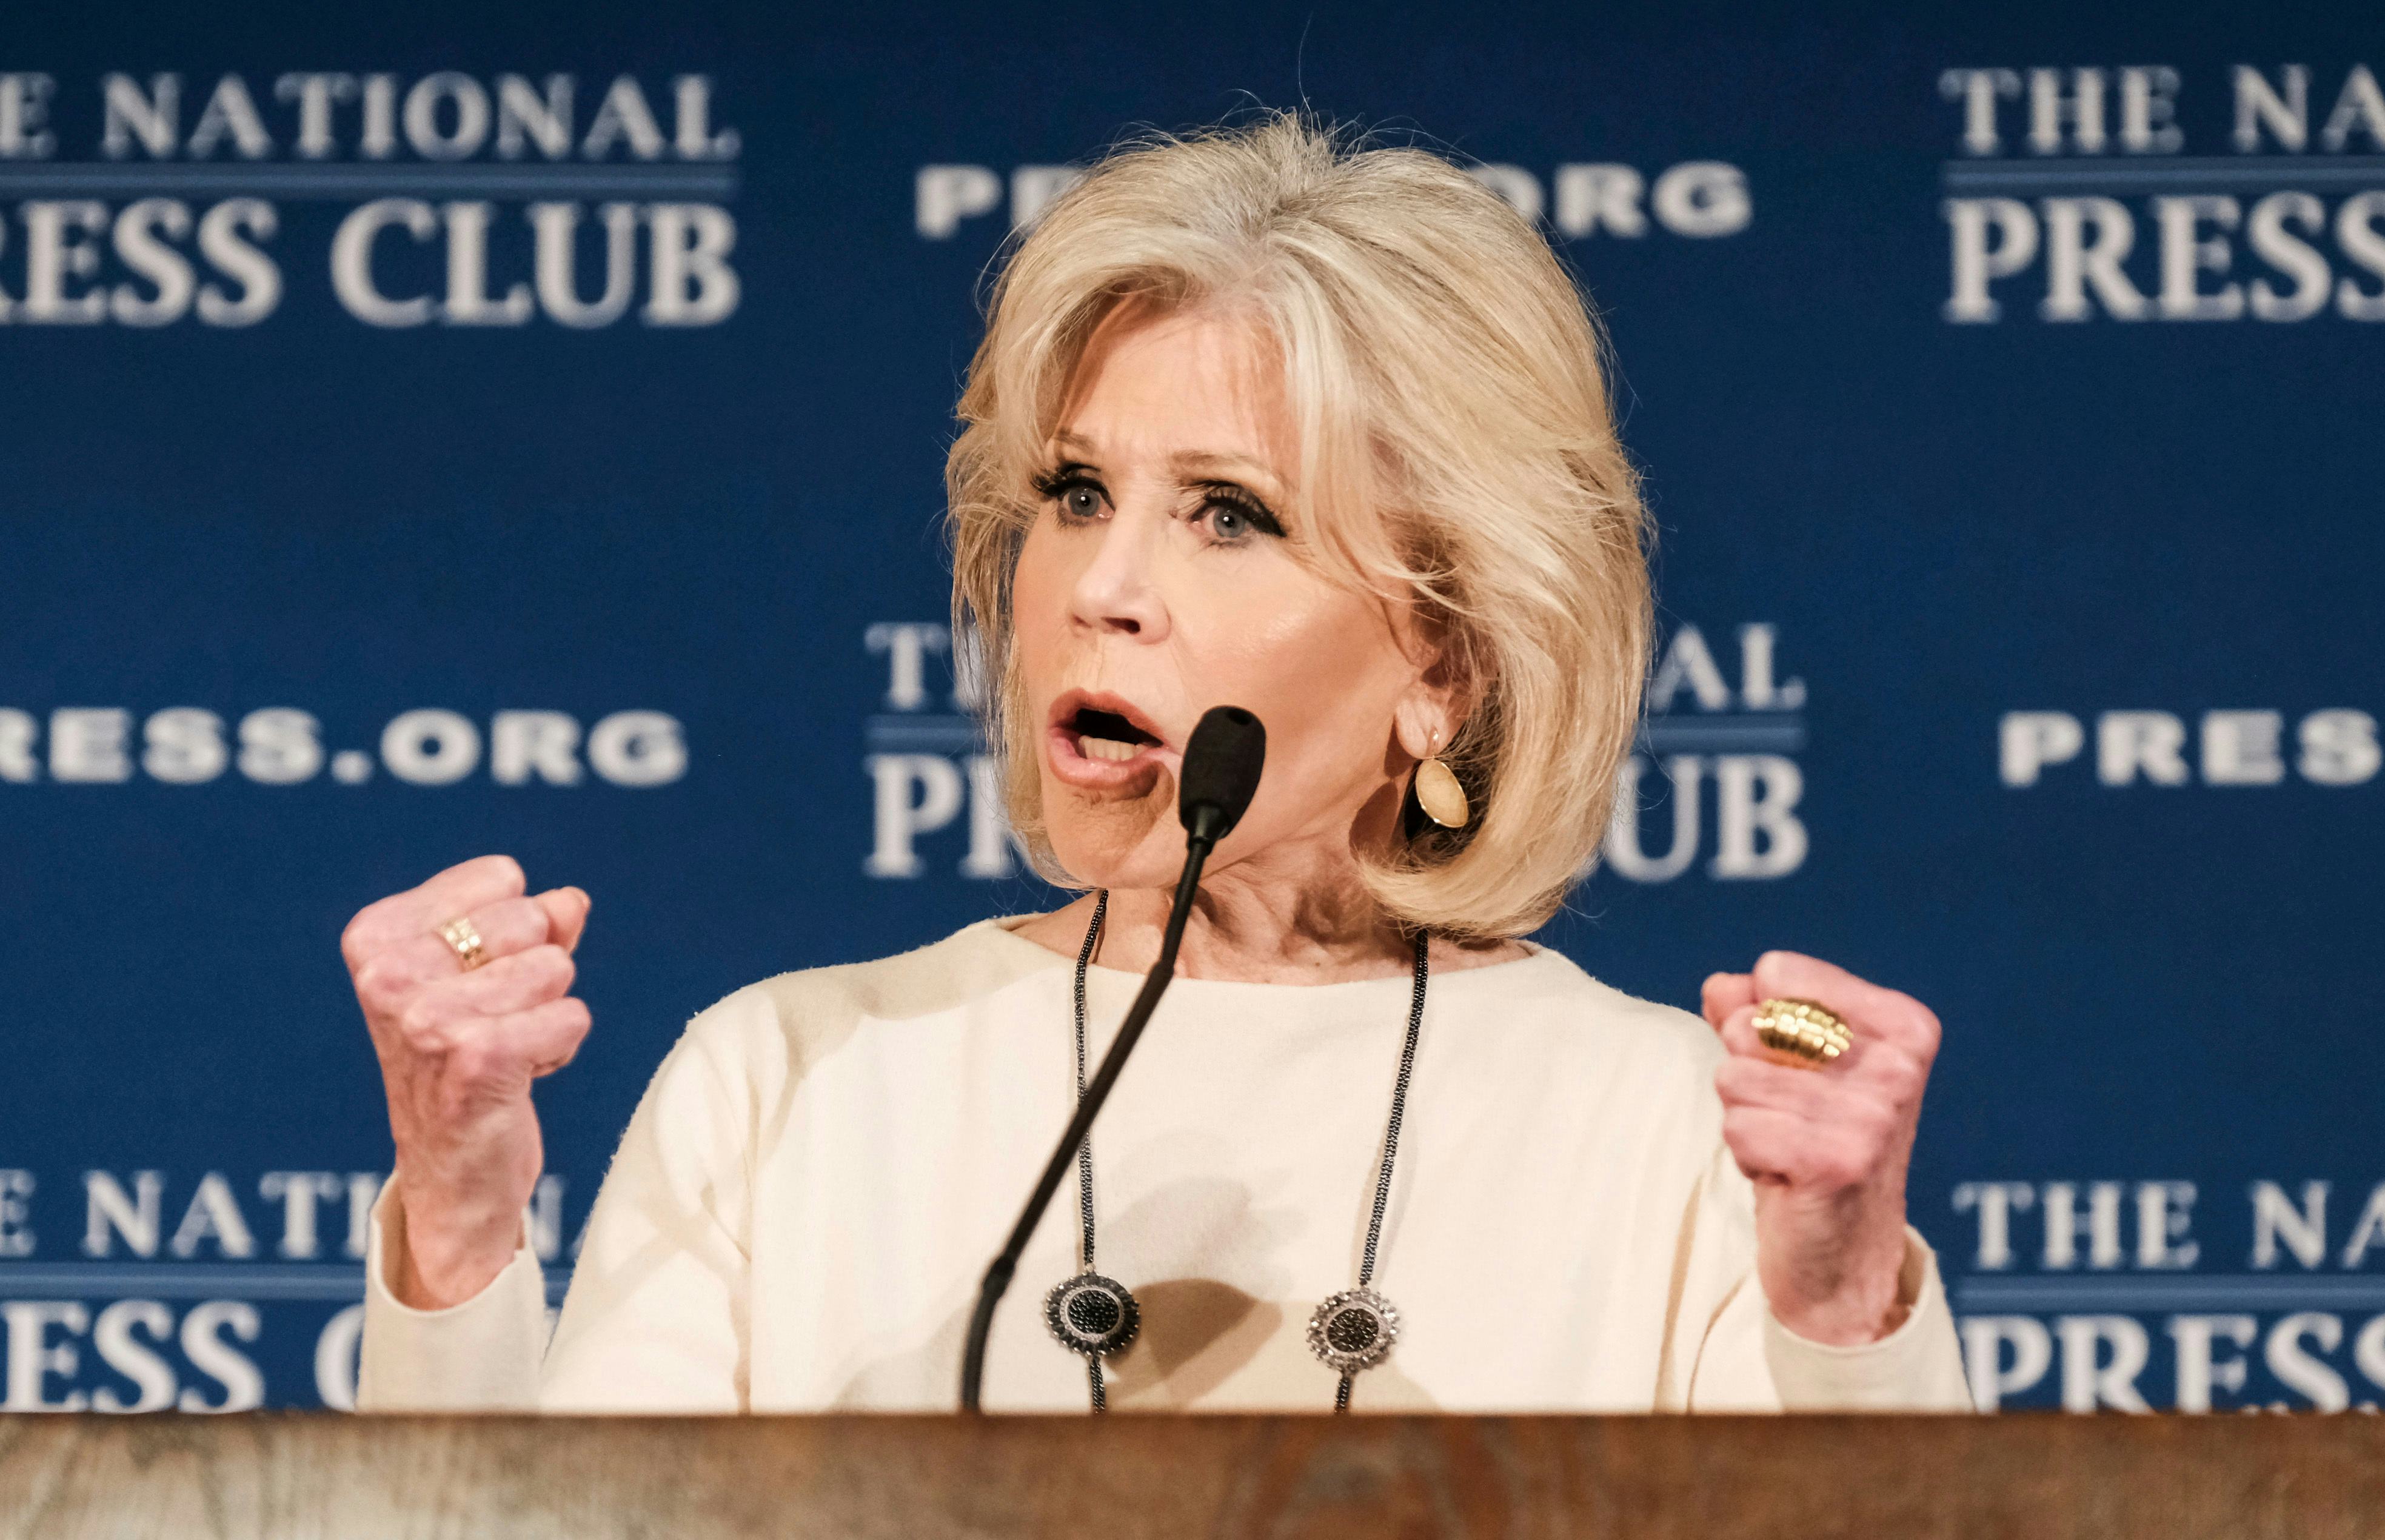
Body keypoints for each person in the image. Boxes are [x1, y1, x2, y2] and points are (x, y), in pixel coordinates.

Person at [346, 114, 1970, 1413]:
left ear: (1447, 663)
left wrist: (1839, 1316)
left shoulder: (1666, 1130)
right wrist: (463, 1221)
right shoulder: (792, 1085)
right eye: (1074, 495)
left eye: (1229, 516)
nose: (1102, 588)